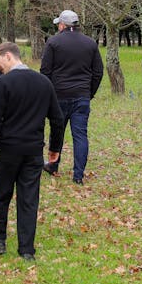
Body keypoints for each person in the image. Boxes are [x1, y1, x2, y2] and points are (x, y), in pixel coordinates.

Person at [0, 42, 65, 260]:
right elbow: (57, 119)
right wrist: (55, 148)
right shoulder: (43, 83)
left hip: (8, 149)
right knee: (29, 200)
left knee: (1, 195)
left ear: (8, 56)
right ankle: (26, 249)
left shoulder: (3, 84)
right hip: (33, 151)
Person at [39, 9, 104, 185]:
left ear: (62, 25)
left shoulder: (53, 42)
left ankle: (53, 165)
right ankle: (78, 175)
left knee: (57, 131)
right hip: (82, 95)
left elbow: (45, 71)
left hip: (58, 95)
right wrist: (89, 92)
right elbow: (98, 72)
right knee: (80, 135)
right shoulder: (90, 43)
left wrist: (48, 94)